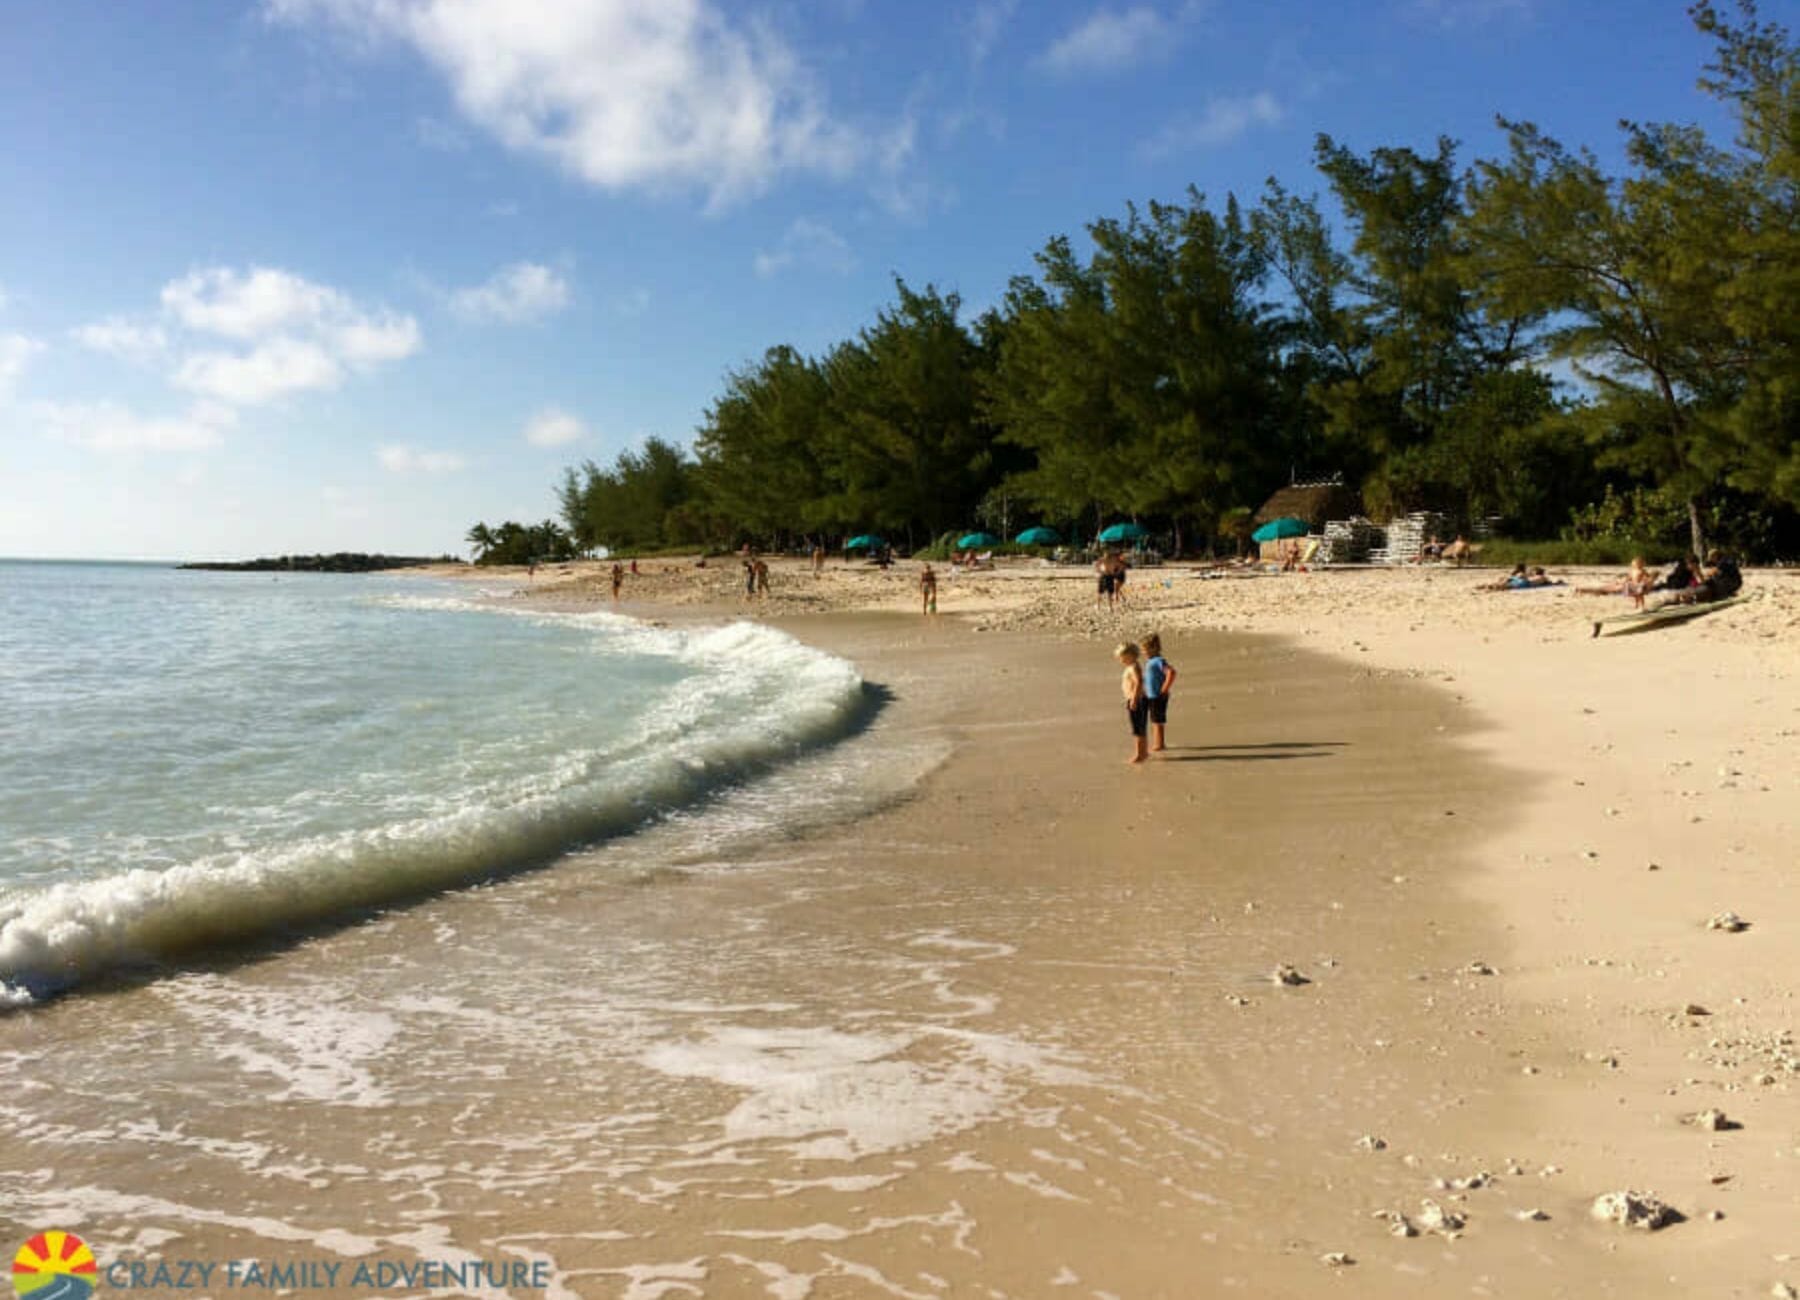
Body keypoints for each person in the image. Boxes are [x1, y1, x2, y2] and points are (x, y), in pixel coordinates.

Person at [1141, 632, 1177, 754]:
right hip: (1152, 695)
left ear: (1154, 648)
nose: (1143, 653)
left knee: (1158, 721)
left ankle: (1160, 744)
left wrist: (1165, 689)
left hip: (1158, 695)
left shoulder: (1158, 660)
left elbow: (1171, 672)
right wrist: (1145, 691)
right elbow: (1149, 679)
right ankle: (1159, 742)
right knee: (1155, 720)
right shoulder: (1151, 661)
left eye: (1145, 650)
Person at [1667, 548, 1742, 605]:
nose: (1711, 561)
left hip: (1721, 586)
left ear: (1715, 555)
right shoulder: (1724, 561)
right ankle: (1683, 596)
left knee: (1705, 589)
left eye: (1711, 558)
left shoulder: (1723, 561)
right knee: (1701, 588)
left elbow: (1713, 572)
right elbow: (1705, 578)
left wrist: (1701, 573)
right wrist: (1699, 573)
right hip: (1717, 586)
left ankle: (1687, 597)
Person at [1116, 642, 1148, 765]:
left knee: (1138, 728)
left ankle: (1140, 754)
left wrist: (1134, 699)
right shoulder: (1133, 666)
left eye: (1122, 657)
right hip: (1139, 699)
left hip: (1137, 700)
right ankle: (1144, 751)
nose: (1120, 660)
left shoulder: (1134, 667)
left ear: (1130, 655)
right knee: (1140, 727)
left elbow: (1139, 682)